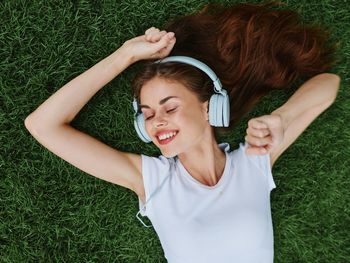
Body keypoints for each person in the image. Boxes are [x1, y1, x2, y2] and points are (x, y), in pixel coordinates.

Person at [24, 1, 340, 262]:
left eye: (170, 107)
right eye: (146, 114)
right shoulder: (153, 181)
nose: (156, 121)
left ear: (209, 107)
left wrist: (282, 119)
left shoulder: (255, 161)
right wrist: (125, 55)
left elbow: (328, 84)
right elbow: (42, 125)